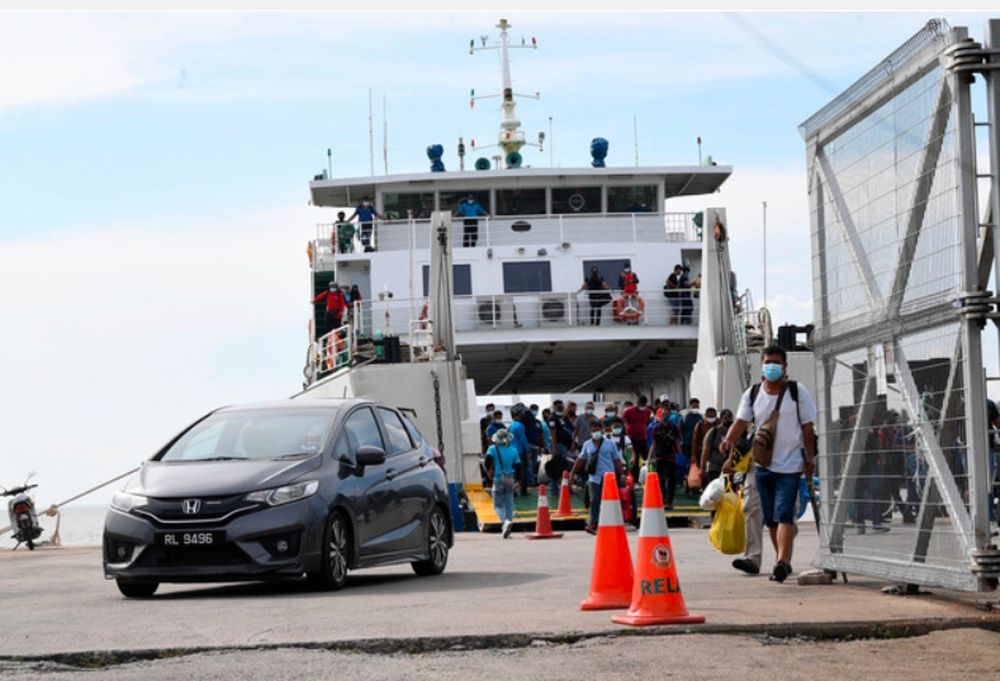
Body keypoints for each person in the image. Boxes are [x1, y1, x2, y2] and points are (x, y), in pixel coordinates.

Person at [719, 345, 817, 583]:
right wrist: (728, 440)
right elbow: (742, 421)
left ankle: (782, 561)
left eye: (776, 362)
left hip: (791, 465)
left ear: (785, 367)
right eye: (767, 362)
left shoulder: (797, 392)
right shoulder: (753, 393)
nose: (771, 366)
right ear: (762, 366)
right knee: (771, 518)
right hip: (763, 464)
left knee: (784, 513)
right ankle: (781, 561)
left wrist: (810, 458)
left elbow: (807, 428)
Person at [570, 420, 625, 534]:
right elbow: (581, 459)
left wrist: (622, 474)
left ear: (602, 430)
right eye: (594, 430)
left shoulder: (610, 444)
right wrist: (572, 473)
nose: (596, 432)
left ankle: (611, 522)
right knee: (594, 500)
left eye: (598, 430)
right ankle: (593, 523)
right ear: (590, 431)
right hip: (594, 477)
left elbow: (616, 460)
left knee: (610, 501)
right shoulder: (587, 444)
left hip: (609, 477)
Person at [485, 429, 521, 539]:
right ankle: (508, 524)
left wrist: (490, 471)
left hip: (498, 478)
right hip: (510, 479)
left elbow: (487, 461)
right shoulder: (514, 450)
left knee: (497, 506)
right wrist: (518, 481)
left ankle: (505, 522)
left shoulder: (492, 449)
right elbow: (518, 467)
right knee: (509, 502)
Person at [648, 406, 681, 509]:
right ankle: (663, 499)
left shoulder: (674, 427)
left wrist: (679, 454)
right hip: (659, 456)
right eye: (663, 414)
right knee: (660, 480)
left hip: (671, 455)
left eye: (667, 414)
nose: (665, 416)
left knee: (671, 479)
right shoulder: (656, 428)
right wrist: (649, 457)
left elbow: (677, 441)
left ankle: (670, 501)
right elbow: (654, 443)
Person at [622, 396, 652, 480]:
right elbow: (623, 422)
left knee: (647, 458)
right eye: (640, 404)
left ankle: (649, 475)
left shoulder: (647, 411)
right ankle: (635, 478)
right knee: (634, 459)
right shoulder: (629, 411)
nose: (642, 406)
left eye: (644, 404)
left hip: (643, 438)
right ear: (637, 403)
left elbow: (648, 421)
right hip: (632, 438)